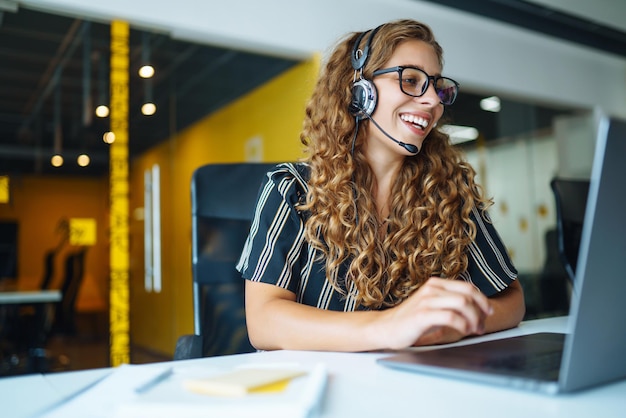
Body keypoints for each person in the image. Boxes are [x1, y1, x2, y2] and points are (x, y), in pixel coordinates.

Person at [236, 19, 525, 352]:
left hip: (419, 385)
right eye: (412, 80)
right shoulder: (291, 188)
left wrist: (453, 329)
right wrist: (390, 327)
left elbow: (512, 299)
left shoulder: (449, 189)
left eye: (436, 86)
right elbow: (263, 321)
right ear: (360, 92)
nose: (433, 100)